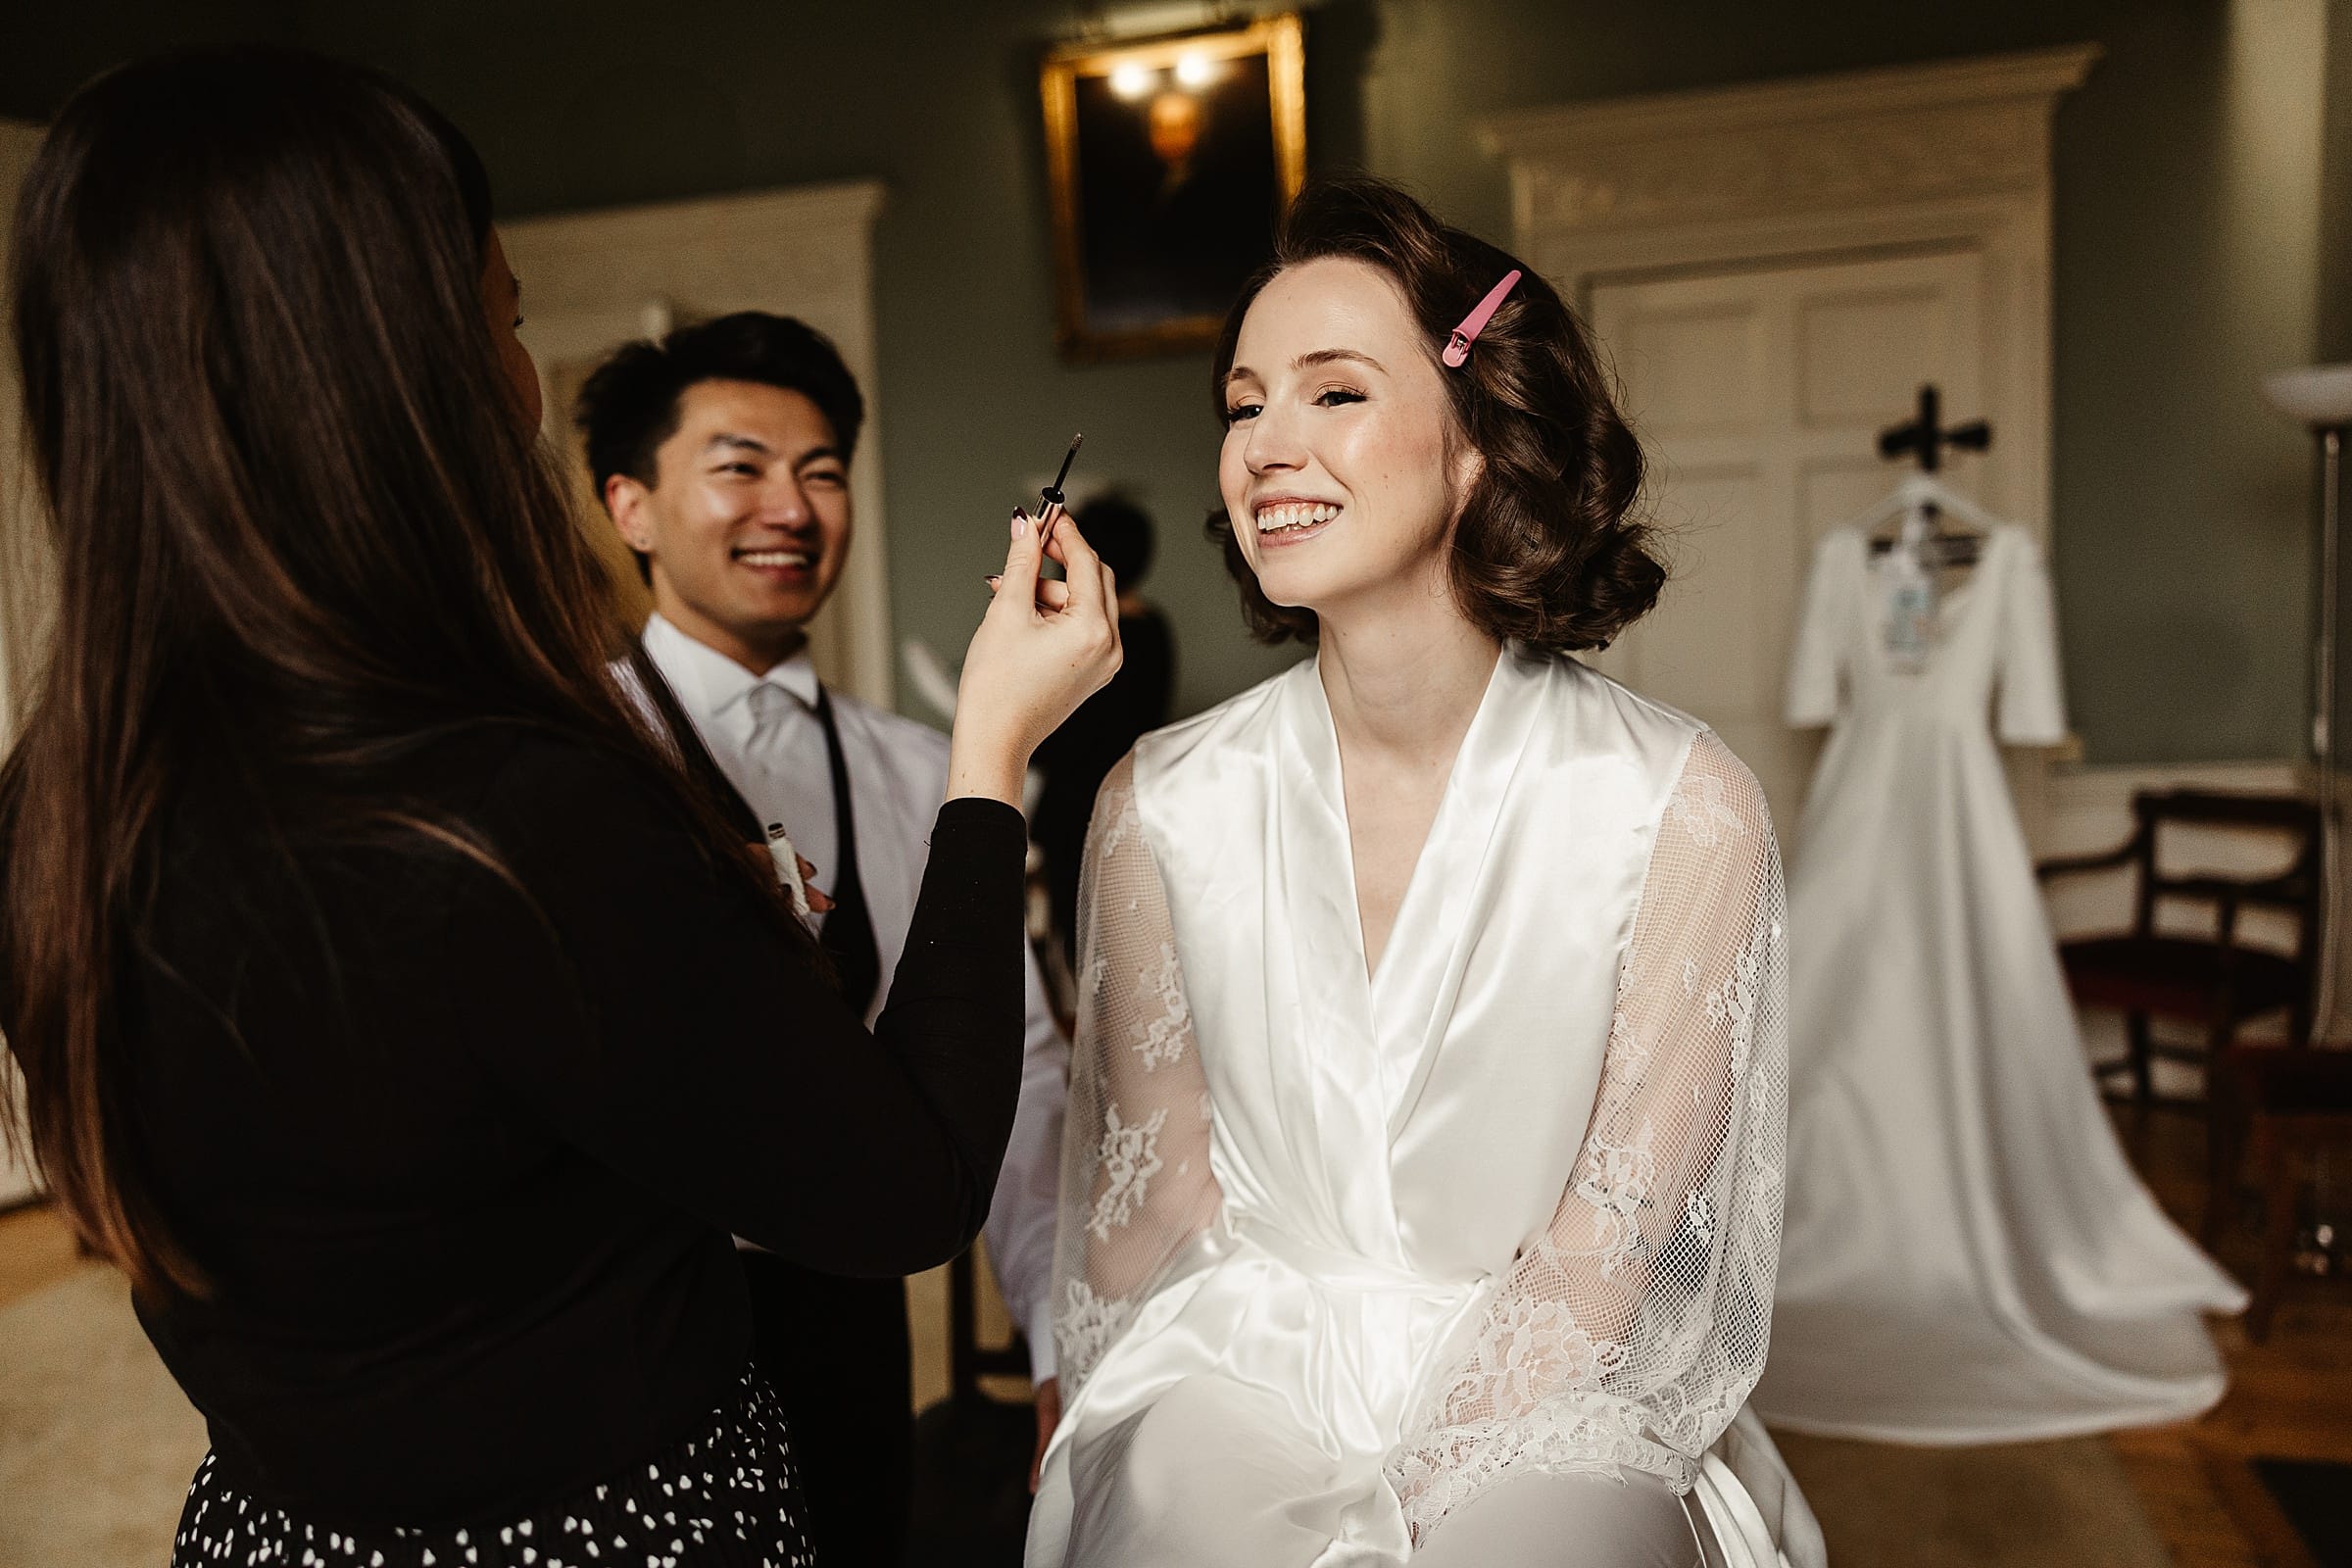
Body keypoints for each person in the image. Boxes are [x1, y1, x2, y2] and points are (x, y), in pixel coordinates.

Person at [0, 48, 1119, 1568]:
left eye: (823, 470)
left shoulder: (51, 808)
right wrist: (998, 747)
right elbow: (902, 1184)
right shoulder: (516, 810)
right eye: (504, 319)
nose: (517, 377)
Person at [1026, 177, 1821, 1568]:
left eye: (1332, 394)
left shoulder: (1682, 810)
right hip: (1239, 1355)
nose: (1265, 445)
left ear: (1475, 448)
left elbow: (1612, 1257)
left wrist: (1393, 1511)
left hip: (1557, 1368)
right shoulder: (1160, 803)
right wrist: (1071, 1410)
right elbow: (1153, 1192)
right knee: (1166, 1522)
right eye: (1243, 401)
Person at [575, 313, 1072, 1563]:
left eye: (823, 472)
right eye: (739, 466)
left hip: (851, 1329)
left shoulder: (926, 771)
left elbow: (1022, 1065)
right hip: (615, 1335)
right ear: (630, 505)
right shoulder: (563, 760)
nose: (789, 507)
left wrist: (1066, 1347)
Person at [1750, 499, 2246, 1441]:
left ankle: (1954, 1210)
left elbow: (2028, 711)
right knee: (1822, 1015)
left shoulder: (2010, 562)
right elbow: (1813, 694)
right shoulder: (1841, 562)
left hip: (1953, 818)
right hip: (1864, 812)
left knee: (1964, 1007)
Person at [1032, 492, 1176, 963]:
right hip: (1133, 797)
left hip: (1074, 805)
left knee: (1081, 943)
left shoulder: (1079, 635)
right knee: (1124, 936)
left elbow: (1054, 738)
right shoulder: (1155, 628)